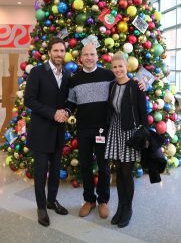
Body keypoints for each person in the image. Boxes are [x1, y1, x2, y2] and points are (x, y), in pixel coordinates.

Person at [66, 43, 145, 220]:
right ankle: (89, 200)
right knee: (85, 166)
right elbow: (71, 102)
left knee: (103, 167)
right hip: (83, 129)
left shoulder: (108, 75)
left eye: (92, 54)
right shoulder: (74, 79)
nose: (89, 57)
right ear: (80, 58)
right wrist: (67, 111)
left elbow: (125, 83)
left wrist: (140, 83)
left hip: (104, 129)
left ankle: (103, 201)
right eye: (85, 54)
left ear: (97, 56)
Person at [24, 37, 71, 227]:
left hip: (59, 131)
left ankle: (52, 200)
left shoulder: (67, 74)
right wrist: (53, 113)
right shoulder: (37, 72)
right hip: (42, 130)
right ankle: (41, 207)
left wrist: (67, 111)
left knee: (55, 170)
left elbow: (70, 100)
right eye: (56, 51)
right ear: (49, 52)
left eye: (62, 51)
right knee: (41, 170)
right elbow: (30, 100)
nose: (59, 54)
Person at [105, 51, 149, 228]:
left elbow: (143, 111)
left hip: (130, 132)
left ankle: (128, 209)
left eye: (120, 66)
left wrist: (146, 133)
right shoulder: (112, 86)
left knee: (126, 172)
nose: (117, 70)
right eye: (114, 67)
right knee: (118, 172)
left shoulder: (135, 86)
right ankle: (120, 207)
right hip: (115, 131)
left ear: (126, 67)